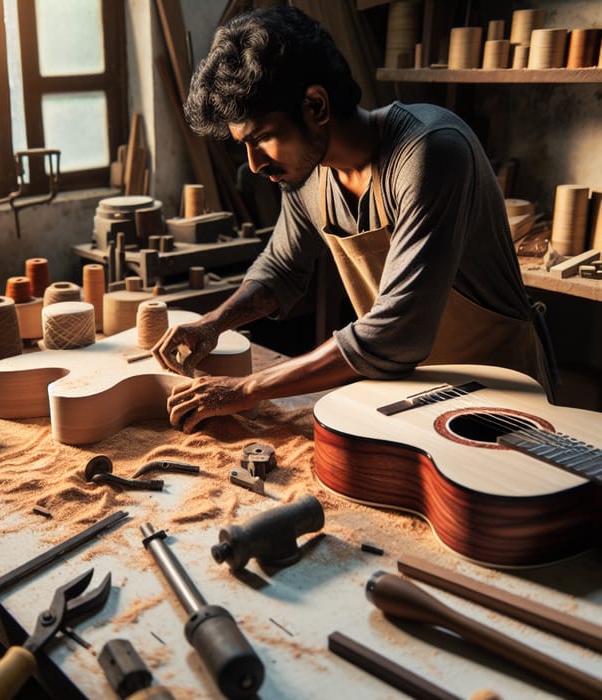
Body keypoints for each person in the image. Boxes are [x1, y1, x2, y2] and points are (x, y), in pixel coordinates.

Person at [152, 5, 555, 433]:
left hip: (503, 392)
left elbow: (397, 333)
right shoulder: (308, 173)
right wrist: (214, 323)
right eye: (244, 146)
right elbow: (282, 270)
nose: (253, 165)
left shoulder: (430, 153)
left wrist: (245, 389)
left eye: (263, 138)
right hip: (412, 389)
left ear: (316, 105)